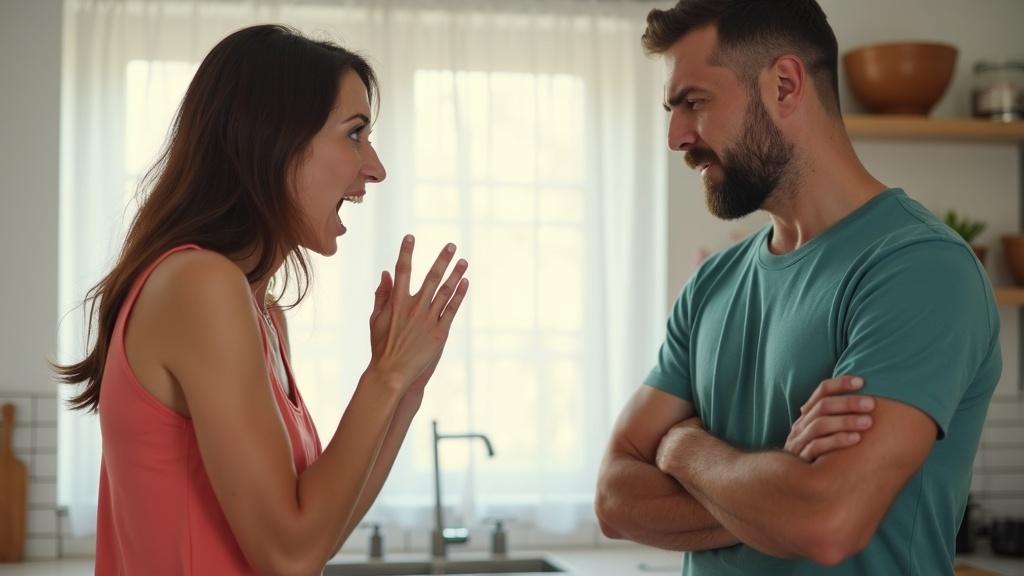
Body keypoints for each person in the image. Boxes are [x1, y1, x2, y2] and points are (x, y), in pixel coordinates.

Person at [595, 1, 1001, 574]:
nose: (676, 137)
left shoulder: (920, 269)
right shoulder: (713, 283)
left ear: (784, 85)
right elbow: (614, 500)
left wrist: (684, 449)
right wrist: (776, 494)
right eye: (672, 108)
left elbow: (825, 523)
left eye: (695, 102)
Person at [55, 24, 469, 575]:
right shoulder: (199, 285)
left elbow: (317, 535)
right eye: (355, 133)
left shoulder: (261, 311)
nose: (375, 168)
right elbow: (288, 556)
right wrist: (385, 376)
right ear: (274, 141)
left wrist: (405, 386)